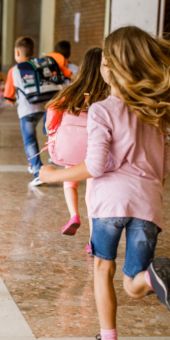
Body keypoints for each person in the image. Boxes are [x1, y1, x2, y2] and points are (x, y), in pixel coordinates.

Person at [37, 26, 170, 340]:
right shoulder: (158, 114)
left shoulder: (102, 109)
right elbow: (164, 169)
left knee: (102, 268)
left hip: (110, 203)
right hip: (148, 204)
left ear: (109, 67)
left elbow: (95, 166)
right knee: (132, 283)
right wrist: (150, 201)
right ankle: (151, 278)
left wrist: (54, 175)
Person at [45, 48, 109, 242]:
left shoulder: (70, 92)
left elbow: (51, 118)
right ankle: (92, 241)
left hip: (72, 146)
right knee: (91, 196)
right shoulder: (107, 95)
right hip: (96, 150)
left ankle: (74, 215)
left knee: (70, 183)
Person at [4, 37, 73, 186]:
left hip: (27, 109)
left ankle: (37, 172)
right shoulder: (43, 63)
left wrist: (10, 100)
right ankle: (48, 149)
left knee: (29, 140)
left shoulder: (14, 70)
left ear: (16, 52)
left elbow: (9, 96)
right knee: (46, 129)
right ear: (34, 52)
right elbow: (68, 74)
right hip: (45, 106)